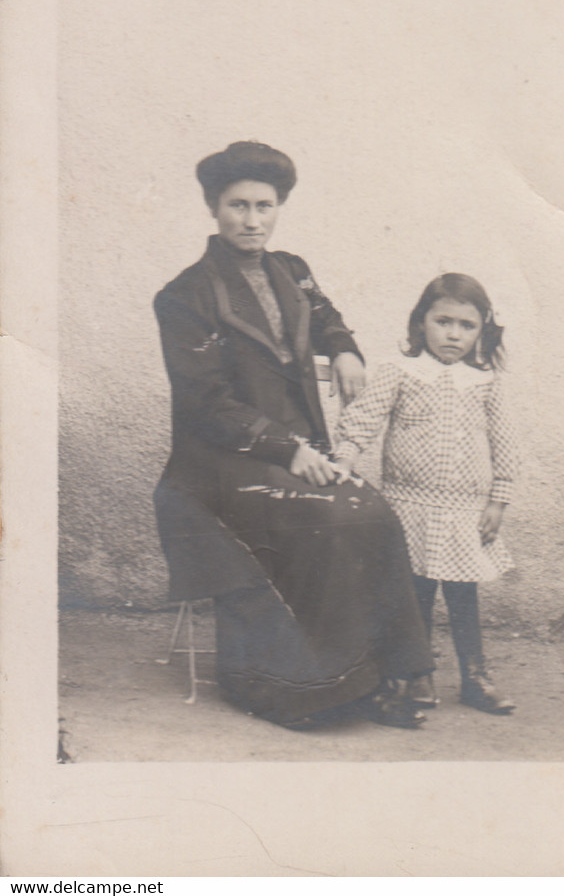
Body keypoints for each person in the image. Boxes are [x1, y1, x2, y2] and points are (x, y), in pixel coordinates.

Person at [153, 141, 433, 729]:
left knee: (372, 512)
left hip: (296, 451)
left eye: (264, 205)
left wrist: (346, 348)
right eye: (237, 206)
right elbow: (206, 403)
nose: (252, 220)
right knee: (323, 519)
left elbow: (323, 314)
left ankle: (387, 677)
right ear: (213, 208)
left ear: (279, 207)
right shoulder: (184, 296)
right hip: (217, 465)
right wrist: (289, 449)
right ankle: (300, 688)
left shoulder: (293, 271)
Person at [335, 273, 520, 714]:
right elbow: (364, 417)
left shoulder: (485, 382)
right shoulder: (401, 373)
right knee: (412, 594)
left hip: (463, 513)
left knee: (462, 596)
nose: (453, 333)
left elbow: (505, 442)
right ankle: (416, 677)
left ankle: (475, 678)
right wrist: (345, 456)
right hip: (408, 508)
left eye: (466, 325)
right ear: (421, 324)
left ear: (480, 332)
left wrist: (499, 499)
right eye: (443, 321)